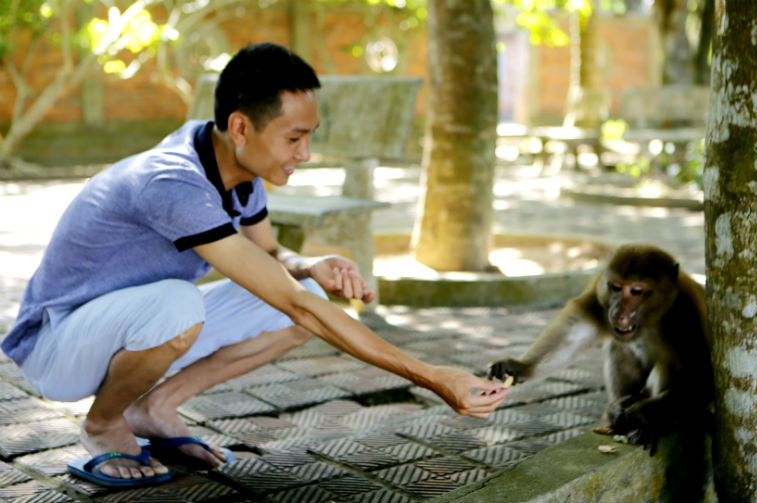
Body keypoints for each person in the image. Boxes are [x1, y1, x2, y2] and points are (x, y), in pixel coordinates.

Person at [1, 42, 509, 488]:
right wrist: (430, 375)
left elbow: (270, 258)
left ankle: (152, 408)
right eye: (294, 138)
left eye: (309, 135)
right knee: (200, 306)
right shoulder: (173, 183)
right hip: (56, 343)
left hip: (126, 330)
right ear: (242, 126)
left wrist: (307, 265)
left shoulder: (236, 164)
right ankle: (102, 423)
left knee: (287, 305)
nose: (305, 153)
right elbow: (294, 301)